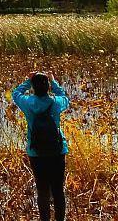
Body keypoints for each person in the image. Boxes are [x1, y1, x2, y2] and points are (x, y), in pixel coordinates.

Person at [12, 72, 70, 221]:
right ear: (47, 87)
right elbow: (65, 98)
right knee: (58, 190)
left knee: (42, 190)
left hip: (36, 153)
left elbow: (16, 93)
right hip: (57, 151)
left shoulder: (28, 103)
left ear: (33, 88)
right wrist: (53, 81)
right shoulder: (56, 102)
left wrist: (28, 80)